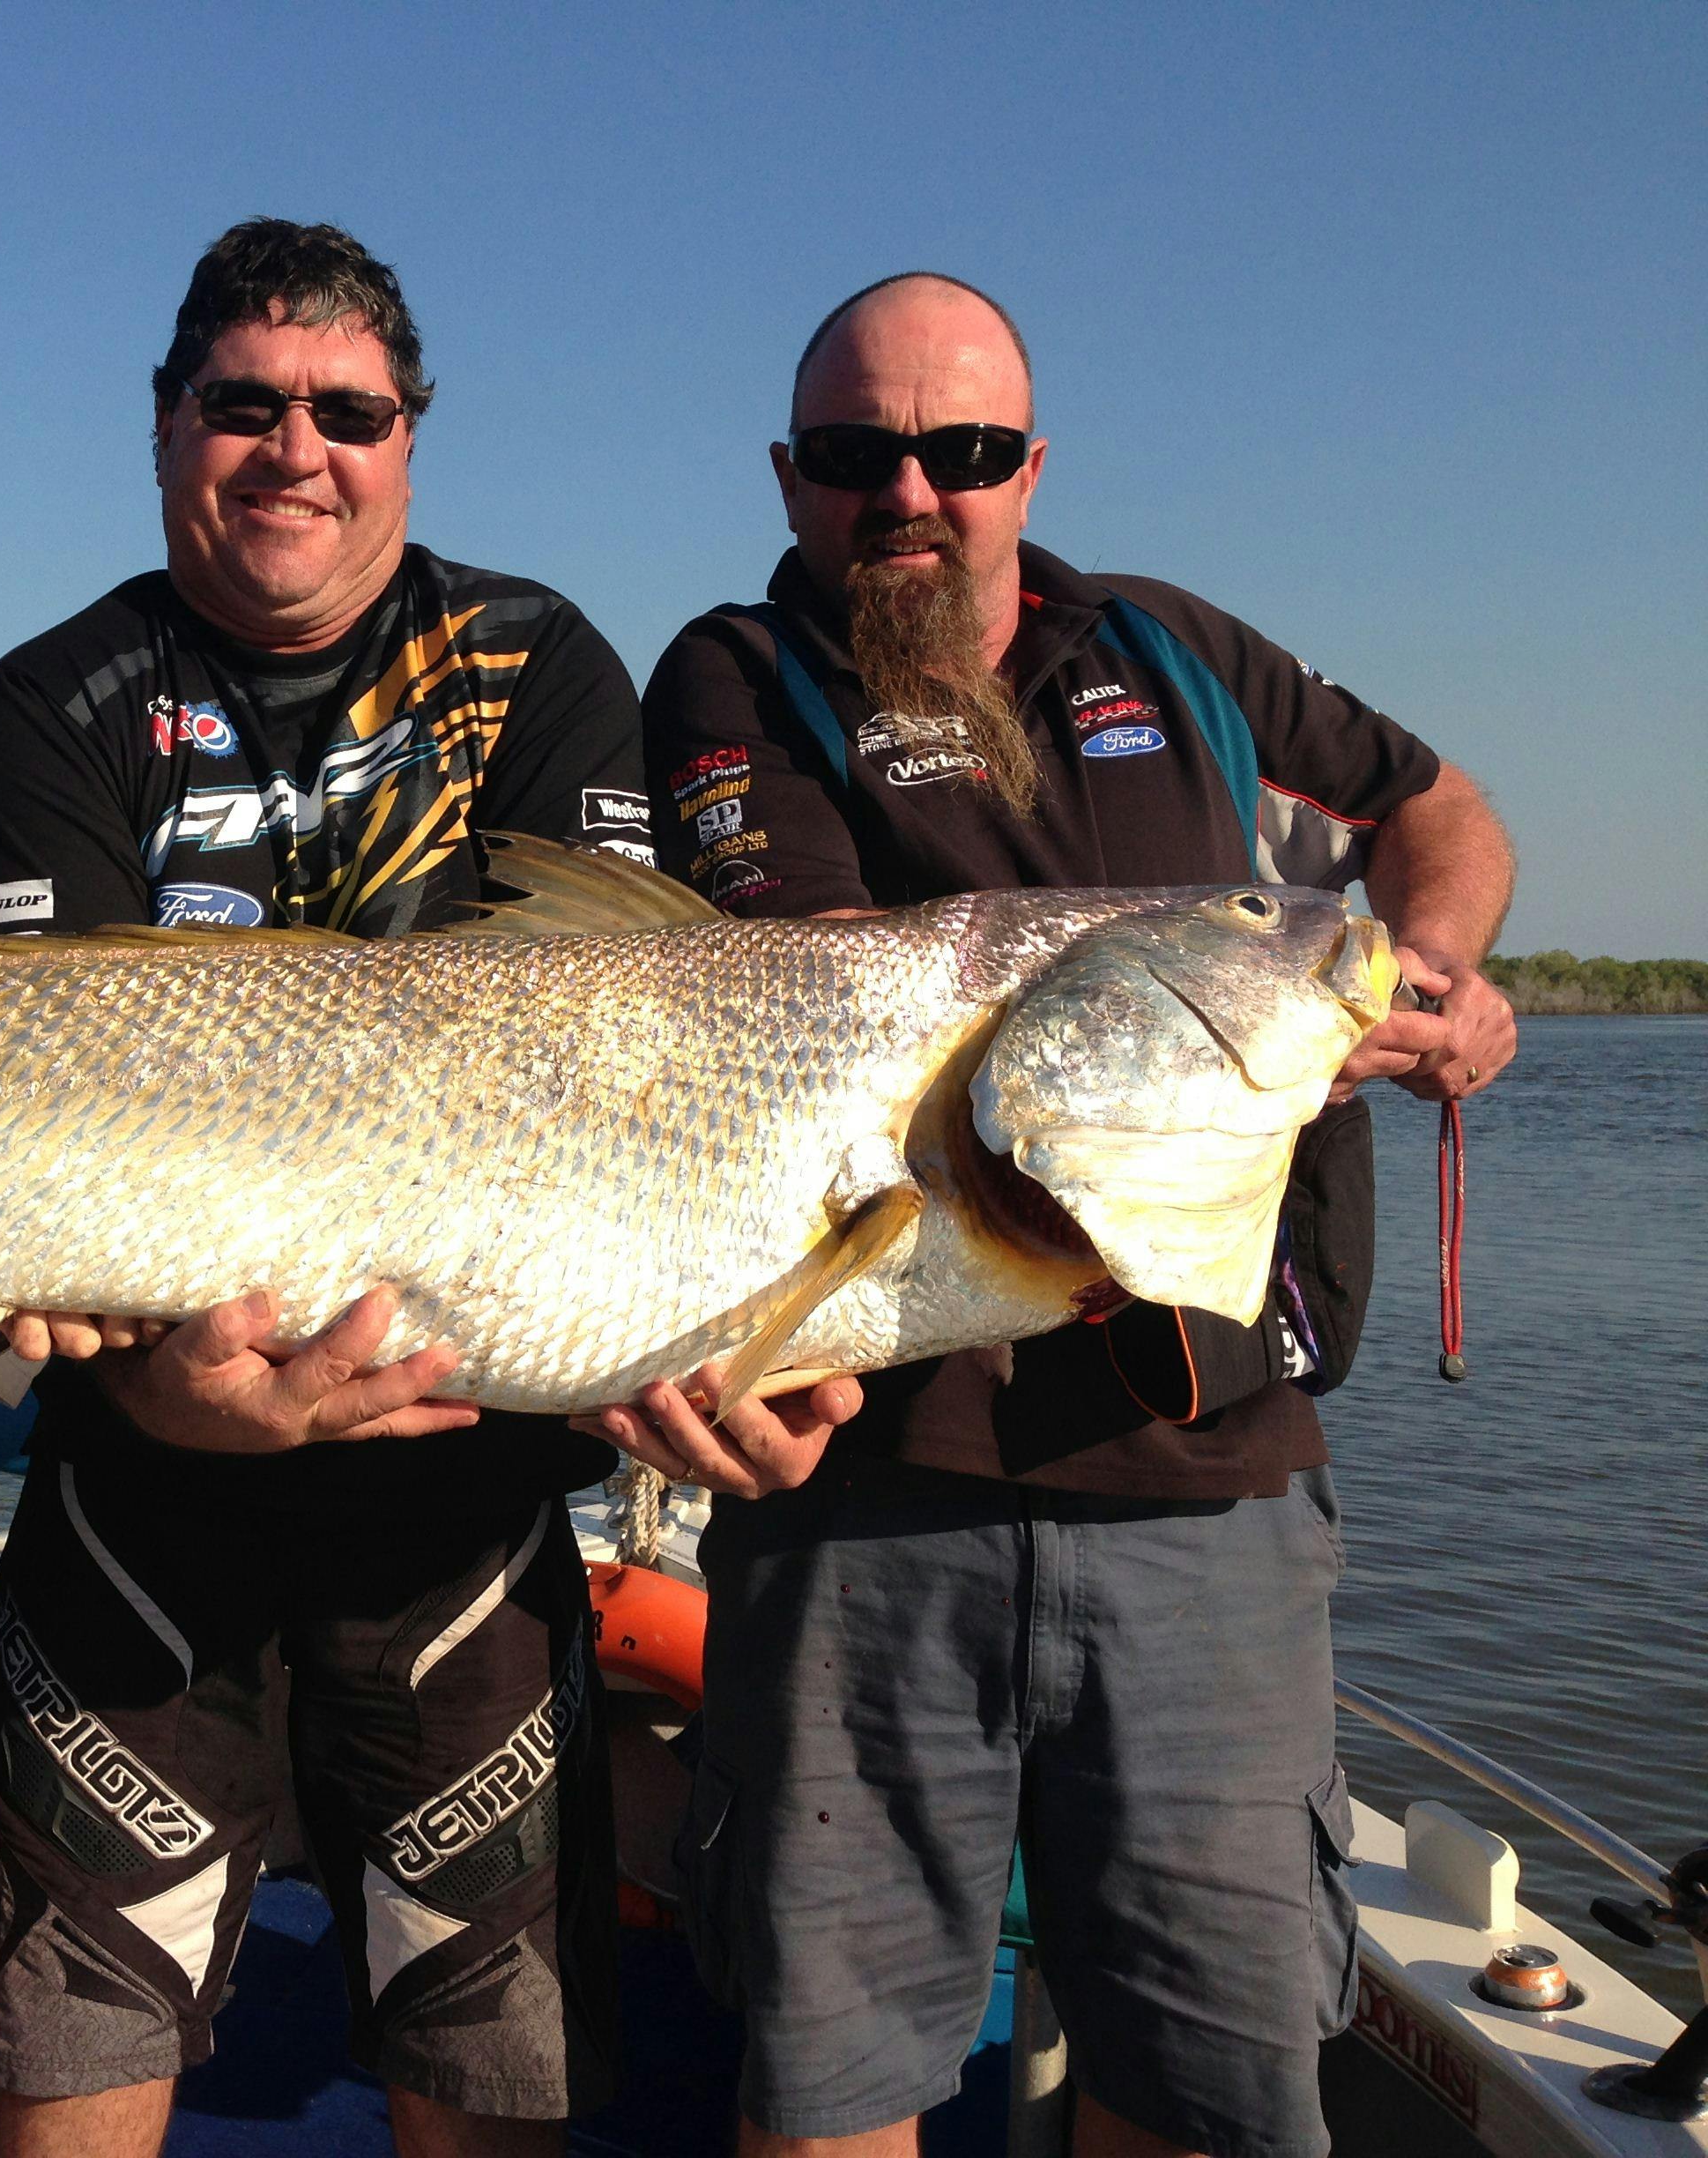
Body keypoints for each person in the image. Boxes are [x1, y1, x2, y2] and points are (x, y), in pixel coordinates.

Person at [0, 217, 857, 2158]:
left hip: (464, 1544)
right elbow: (32, 1129)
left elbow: (621, 1091)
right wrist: (160, 1389)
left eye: (346, 410)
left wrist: (714, 1343)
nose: (295, 449)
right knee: (60, 2103)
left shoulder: (538, 666)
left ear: (409, 438)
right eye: (243, 404)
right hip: (133, 1533)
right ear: (167, 425)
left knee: (489, 2103)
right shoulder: (47, 704)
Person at [623, 272, 1519, 2158]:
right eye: (860, 455)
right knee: (827, 2077)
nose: (910, 494)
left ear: (1028, 466)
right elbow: (823, 1015)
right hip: (871, 1498)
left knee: (1205, 2086)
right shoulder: (734, 674)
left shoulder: (1182, 652)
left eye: (958, 452)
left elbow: (1439, 809)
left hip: (1209, 1488)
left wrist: (1421, 968)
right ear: (792, 477)